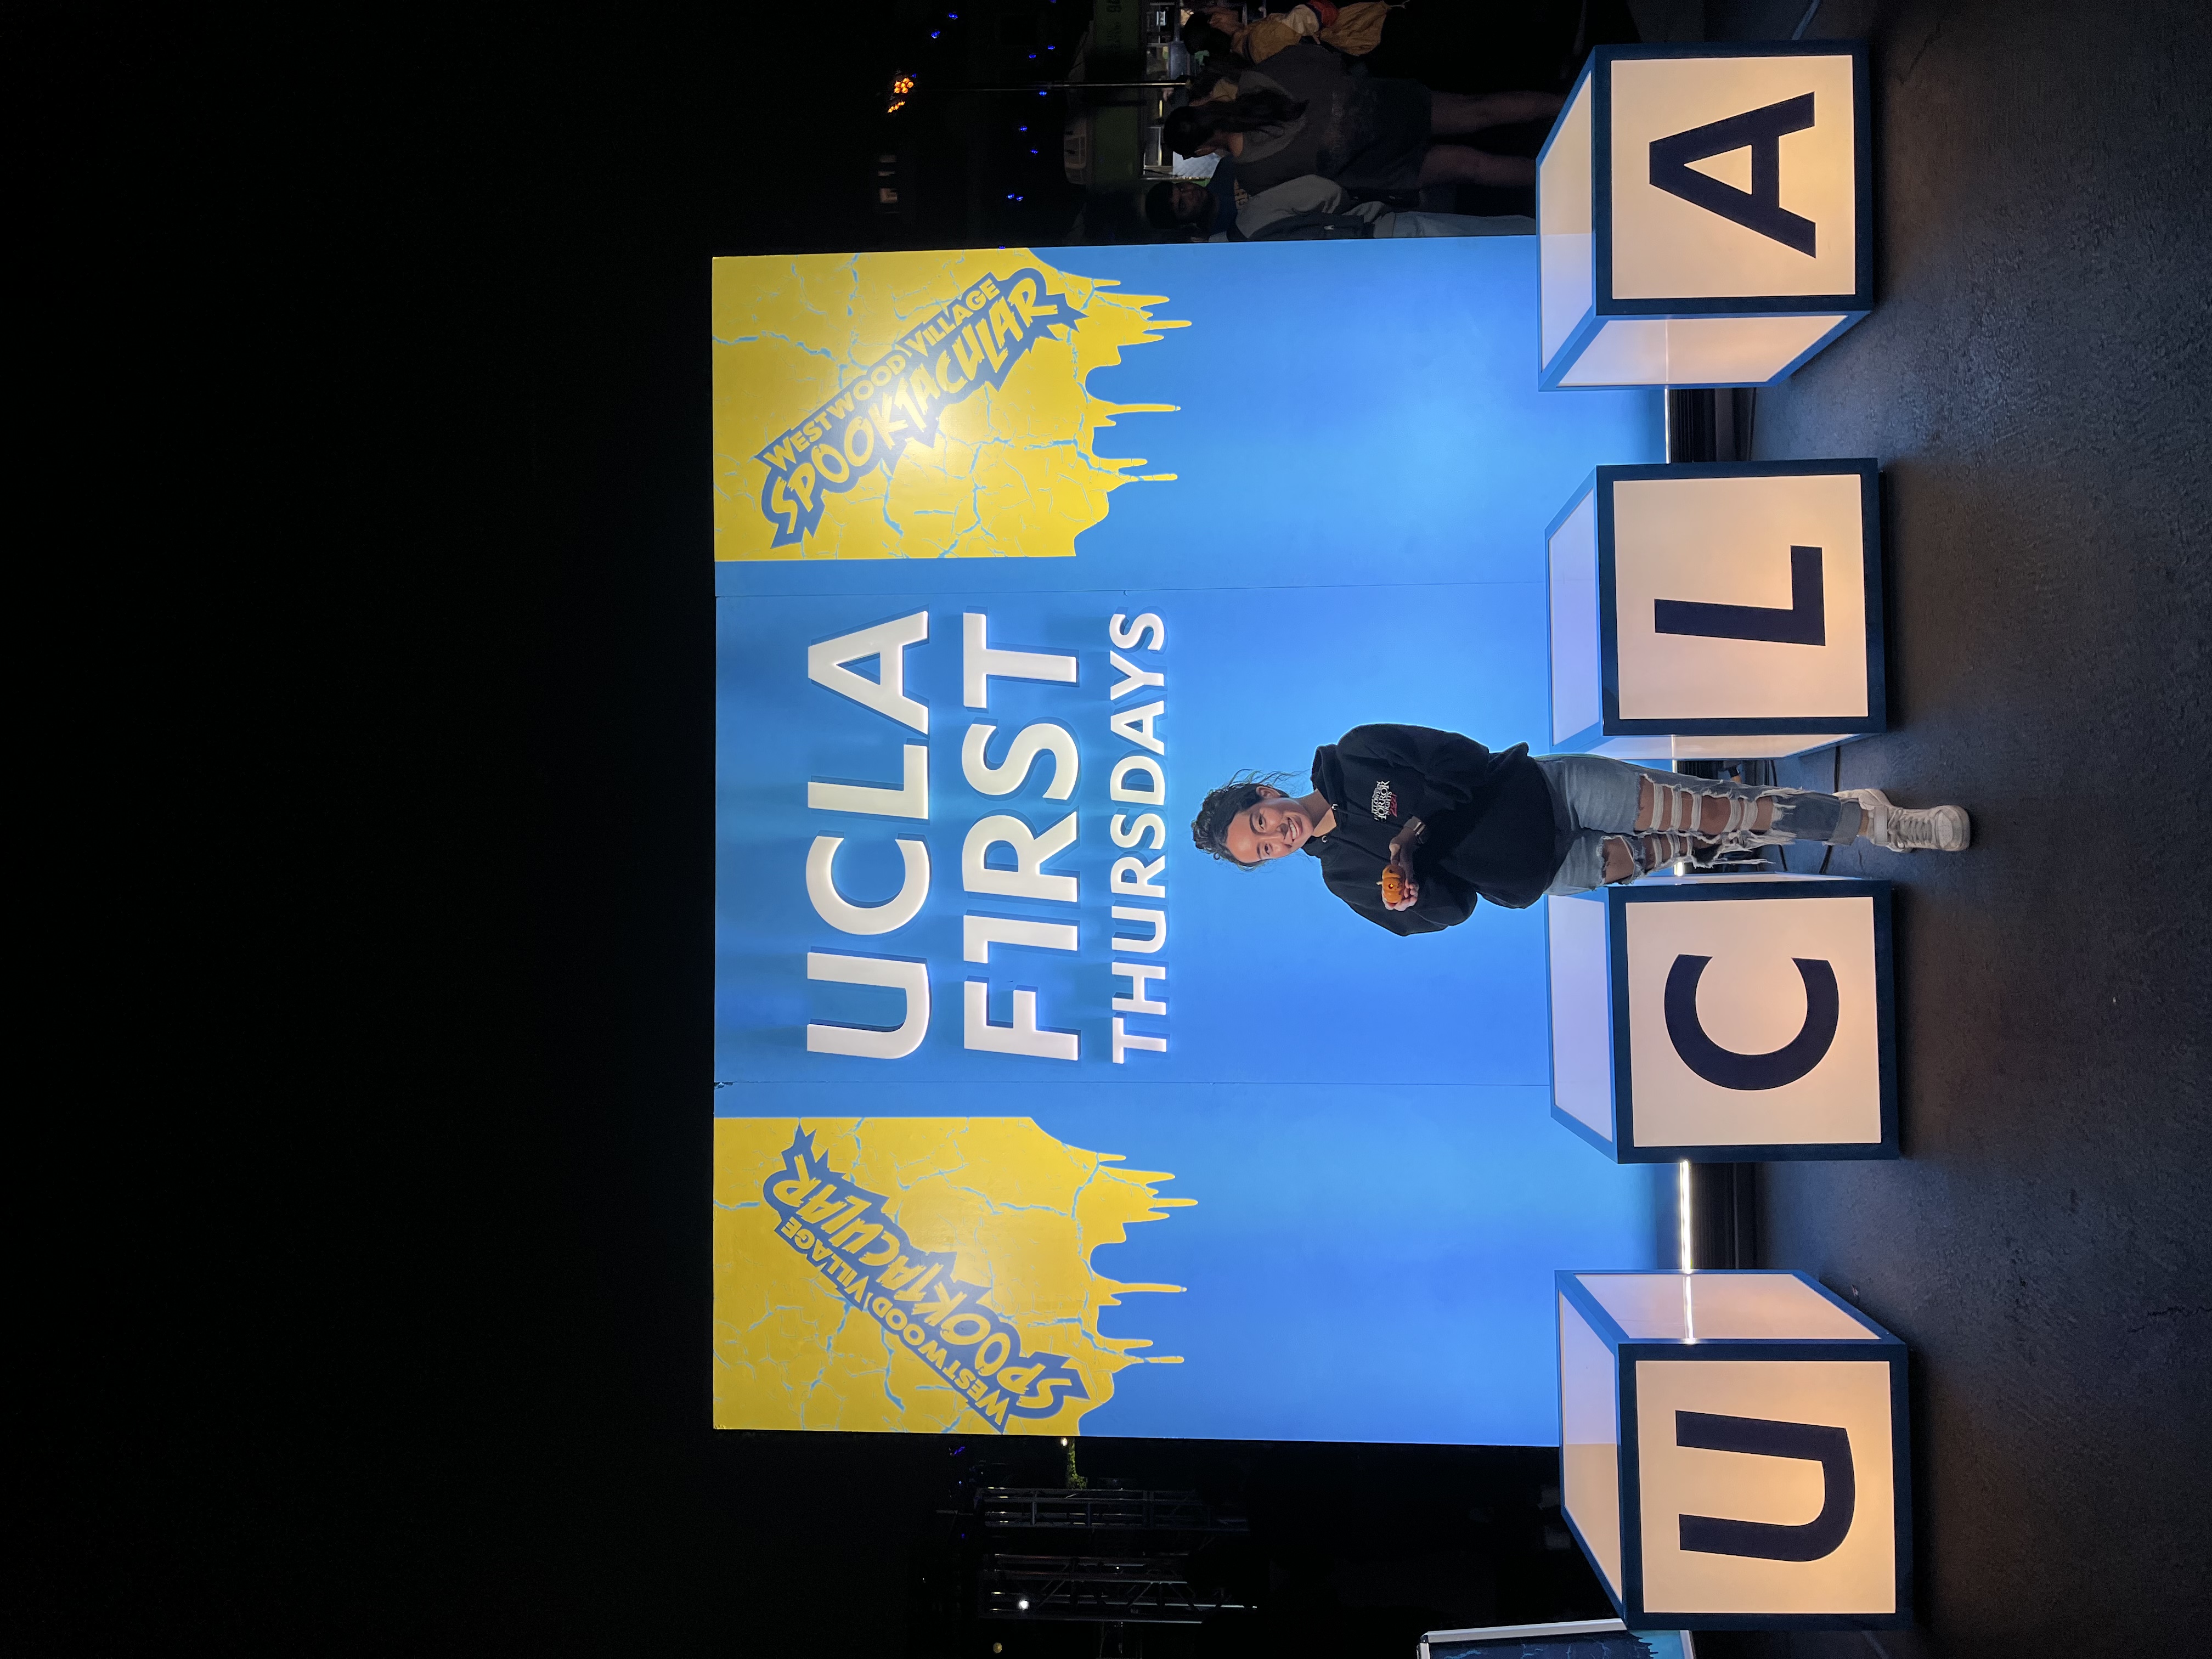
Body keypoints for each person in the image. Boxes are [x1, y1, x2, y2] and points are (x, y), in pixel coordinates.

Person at [1189, 725, 1971, 936]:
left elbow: (1459, 759)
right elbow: (1452, 911)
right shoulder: (1345, 880)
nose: (1275, 835)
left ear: (1267, 792)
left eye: (1261, 821)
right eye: (1261, 849)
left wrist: (1415, 828)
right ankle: (1845, 812)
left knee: (1713, 812)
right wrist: (1412, 894)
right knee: (1703, 839)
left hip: (1542, 791)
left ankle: (1873, 821)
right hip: (1548, 873)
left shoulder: (1357, 754)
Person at [1161, 38, 1562, 195]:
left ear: (1202, 148)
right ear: (1200, 108)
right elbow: (1325, 56)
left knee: (1474, 166)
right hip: (1388, 105)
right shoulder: (1257, 78)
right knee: (1484, 110)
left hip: (1381, 167)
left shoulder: (1254, 176)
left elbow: (1316, 192)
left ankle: (1580, 179)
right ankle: (1581, 101)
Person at [1145, 171, 1532, 240]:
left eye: (1181, 190)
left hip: (1374, 269)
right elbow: (1321, 191)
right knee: (1499, 234)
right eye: (1181, 205)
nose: (1189, 196)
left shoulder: (1235, 244)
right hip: (1376, 230)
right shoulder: (1251, 209)